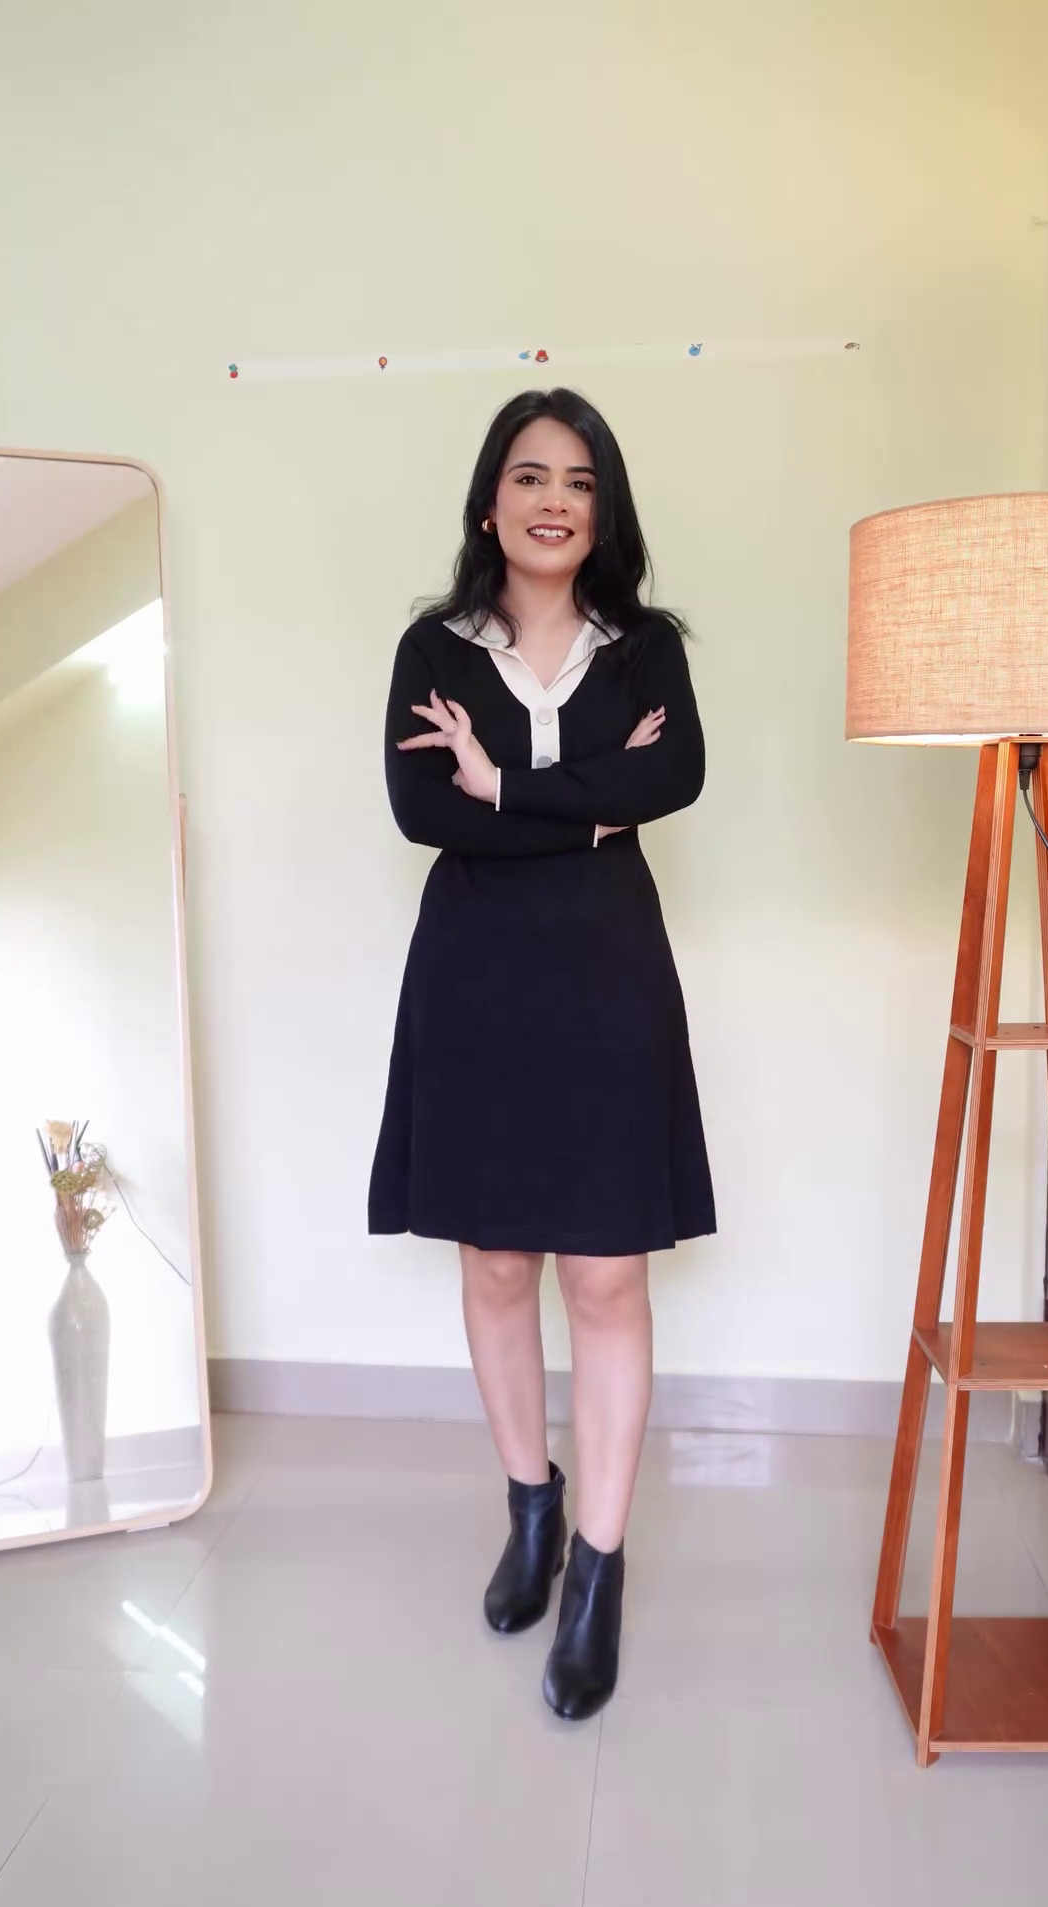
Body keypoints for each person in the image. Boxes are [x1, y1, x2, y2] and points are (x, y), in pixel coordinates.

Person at [369, 387, 715, 1720]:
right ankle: (531, 1510)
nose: (554, 499)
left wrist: (503, 787)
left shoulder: (646, 650)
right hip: (477, 976)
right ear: (489, 504)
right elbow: (420, 810)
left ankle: (599, 1571)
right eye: (529, 475)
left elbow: (671, 781)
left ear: (602, 509)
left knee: (608, 1274)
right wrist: (590, 809)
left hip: (609, 972)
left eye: (578, 479)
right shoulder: (435, 647)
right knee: (499, 1260)